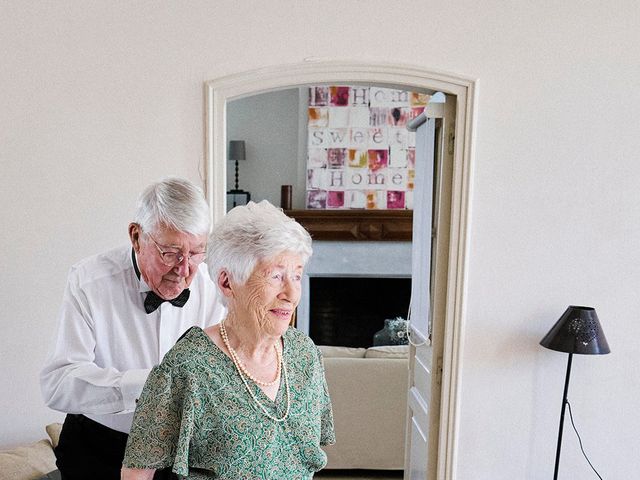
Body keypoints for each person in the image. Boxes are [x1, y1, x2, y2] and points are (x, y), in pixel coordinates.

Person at [121, 200, 335, 480]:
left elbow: (305, 457)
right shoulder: (188, 366)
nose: (292, 294)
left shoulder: (304, 354)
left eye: (297, 275)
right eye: (276, 276)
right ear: (227, 282)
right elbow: (137, 472)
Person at [40, 177, 225, 480]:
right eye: (170, 252)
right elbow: (58, 384)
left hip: (181, 455)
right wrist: (150, 386)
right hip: (99, 449)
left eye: (195, 253)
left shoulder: (212, 286)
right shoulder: (89, 281)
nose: (183, 268)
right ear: (136, 236)